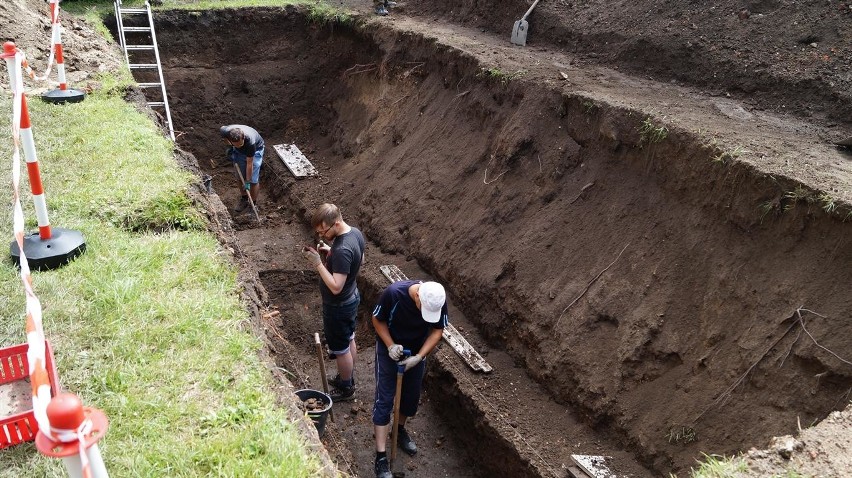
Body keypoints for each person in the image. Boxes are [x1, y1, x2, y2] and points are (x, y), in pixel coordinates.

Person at [370, 280, 447, 478]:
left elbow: (438, 331)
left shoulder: (437, 298)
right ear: (417, 297)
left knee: (410, 398)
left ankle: (399, 429)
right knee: (384, 400)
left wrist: (419, 357)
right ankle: (380, 456)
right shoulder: (394, 294)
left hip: (415, 351)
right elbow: (377, 319)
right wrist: (389, 345)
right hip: (389, 350)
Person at [301, 203, 366, 402]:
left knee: (340, 348)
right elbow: (360, 259)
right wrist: (331, 251)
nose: (321, 235)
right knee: (349, 338)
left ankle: (346, 388)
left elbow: (336, 286)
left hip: (339, 306)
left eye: (324, 231)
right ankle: (348, 377)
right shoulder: (354, 233)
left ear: (336, 223)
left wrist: (318, 263)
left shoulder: (342, 249)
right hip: (351, 297)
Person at [220, 124, 264, 213]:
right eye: (236, 145)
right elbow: (223, 134)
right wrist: (229, 147)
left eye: (240, 144)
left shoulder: (250, 142)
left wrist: (247, 181)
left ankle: (253, 204)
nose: (239, 146)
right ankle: (244, 198)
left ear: (243, 137)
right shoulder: (225, 131)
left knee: (253, 180)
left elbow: (249, 163)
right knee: (239, 177)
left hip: (255, 151)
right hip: (240, 153)